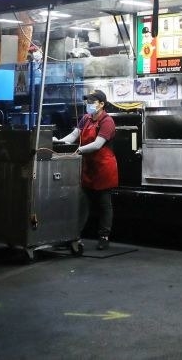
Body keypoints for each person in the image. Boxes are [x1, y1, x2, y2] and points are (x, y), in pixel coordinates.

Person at [53, 89, 118, 250]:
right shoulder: (86, 119)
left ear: (102, 104)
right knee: (81, 203)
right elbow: (73, 136)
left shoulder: (107, 121)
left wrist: (78, 150)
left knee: (104, 204)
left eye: (92, 102)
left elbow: (97, 144)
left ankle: (104, 236)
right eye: (87, 101)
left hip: (104, 167)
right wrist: (59, 142)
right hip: (88, 167)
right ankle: (72, 236)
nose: (88, 105)